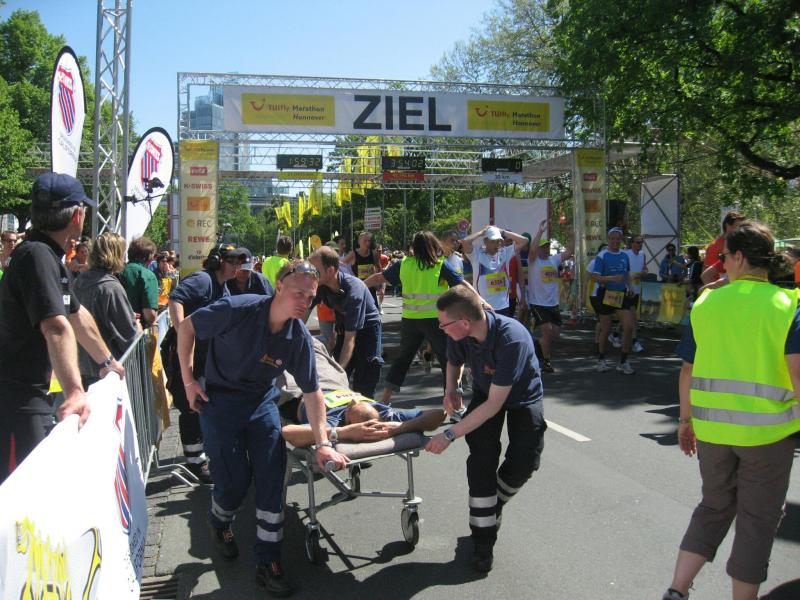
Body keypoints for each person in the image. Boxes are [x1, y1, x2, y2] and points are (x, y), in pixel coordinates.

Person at [177, 260, 348, 597]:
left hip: (260, 404)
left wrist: (323, 443)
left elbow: (313, 393)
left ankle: (268, 563)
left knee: (272, 479)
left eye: (310, 297)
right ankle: (219, 522)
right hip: (219, 403)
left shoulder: (297, 336)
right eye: (298, 293)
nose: (304, 302)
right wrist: (188, 381)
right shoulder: (238, 309)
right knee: (234, 482)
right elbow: (186, 328)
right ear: (279, 287)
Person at [664, 221, 800, 600]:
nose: (720, 264)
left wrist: (685, 421)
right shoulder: (788, 305)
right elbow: (797, 375)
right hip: (768, 436)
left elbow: (688, 370)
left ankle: (676, 590)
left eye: (723, 257)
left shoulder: (706, 303)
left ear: (739, 257)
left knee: (713, 507)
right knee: (757, 521)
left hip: (712, 433)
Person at [0, 172, 124, 484]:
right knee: (23, 490)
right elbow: (56, 325)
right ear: (77, 216)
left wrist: (108, 361)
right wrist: (75, 393)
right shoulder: (37, 256)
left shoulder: (47, 255)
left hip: (28, 395)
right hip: (18, 400)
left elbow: (76, 314)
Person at [425, 285, 546, 573]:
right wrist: (451, 388)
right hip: (485, 391)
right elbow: (454, 361)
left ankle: (494, 504)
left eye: (443, 324)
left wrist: (450, 434)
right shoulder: (461, 334)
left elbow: (494, 405)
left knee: (525, 461)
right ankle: (482, 544)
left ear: (464, 322)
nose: (441, 329)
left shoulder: (511, 339)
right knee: (481, 460)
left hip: (521, 398)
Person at [363, 231, 478, 409]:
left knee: (403, 359)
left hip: (410, 320)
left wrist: (358, 286)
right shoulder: (439, 265)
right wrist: (479, 300)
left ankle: (385, 400)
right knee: (448, 361)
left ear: (414, 247)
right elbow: (461, 284)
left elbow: (379, 278)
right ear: (433, 246)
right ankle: (454, 405)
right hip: (436, 321)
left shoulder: (404, 264)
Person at [165, 243, 247, 484]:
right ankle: (195, 461)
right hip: (184, 354)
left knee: (203, 402)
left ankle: (205, 453)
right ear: (218, 261)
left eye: (239, 262)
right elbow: (175, 299)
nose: (237, 266)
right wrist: (182, 332)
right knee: (190, 406)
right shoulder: (203, 280)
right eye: (232, 261)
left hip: (204, 356)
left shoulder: (224, 287)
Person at [279, 338, 445, 446]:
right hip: (333, 382)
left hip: (300, 390)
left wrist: (342, 433)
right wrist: (398, 428)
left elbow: (288, 433)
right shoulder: (384, 415)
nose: (356, 400)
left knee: (283, 350)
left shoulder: (333, 421)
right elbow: (440, 414)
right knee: (312, 346)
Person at [308, 246, 383, 399]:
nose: (311, 275)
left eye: (315, 270)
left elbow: (350, 339)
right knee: (335, 379)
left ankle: (367, 409)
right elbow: (301, 317)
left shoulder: (354, 290)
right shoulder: (320, 286)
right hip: (345, 326)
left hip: (368, 330)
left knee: (363, 381)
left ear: (330, 270)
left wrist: (338, 374)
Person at [72, 232, 140, 388]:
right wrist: (137, 326)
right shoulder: (111, 287)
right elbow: (128, 337)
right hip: (108, 370)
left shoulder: (79, 281)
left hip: (83, 367)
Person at [524, 220, 574, 373]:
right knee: (547, 330)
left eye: (547, 247)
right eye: (543, 247)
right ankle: (546, 362)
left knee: (555, 334)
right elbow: (532, 250)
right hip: (537, 303)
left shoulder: (554, 259)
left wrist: (572, 236)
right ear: (538, 249)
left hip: (553, 303)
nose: (546, 249)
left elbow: (569, 252)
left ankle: (538, 345)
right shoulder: (533, 261)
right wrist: (540, 232)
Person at [590, 227, 635, 374]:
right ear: (608, 239)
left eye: (618, 239)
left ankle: (623, 361)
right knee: (606, 328)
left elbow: (626, 274)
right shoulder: (602, 256)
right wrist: (611, 278)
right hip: (606, 294)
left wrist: (630, 287)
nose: (615, 241)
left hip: (621, 294)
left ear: (621, 240)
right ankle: (601, 359)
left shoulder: (625, 255)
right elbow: (595, 277)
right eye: (613, 239)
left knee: (628, 327)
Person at [461, 225, 529, 316]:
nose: (496, 244)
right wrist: (481, 232)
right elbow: (465, 241)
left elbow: (524, 240)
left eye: (498, 241)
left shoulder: (505, 252)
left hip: (503, 306)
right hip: (483, 306)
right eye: (493, 241)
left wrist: (502, 232)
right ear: (485, 241)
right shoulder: (476, 253)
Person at [617, 234, 648, 353]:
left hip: (637, 288)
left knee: (627, 316)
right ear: (632, 243)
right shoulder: (626, 254)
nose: (640, 244)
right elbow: (623, 271)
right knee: (633, 316)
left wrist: (644, 272)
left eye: (641, 242)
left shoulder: (643, 254)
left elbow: (645, 268)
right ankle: (635, 341)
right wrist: (628, 283)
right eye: (638, 242)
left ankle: (615, 335)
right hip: (627, 289)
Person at [120, 236, 159, 328]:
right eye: (153, 255)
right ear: (148, 256)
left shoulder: (117, 271)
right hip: (137, 328)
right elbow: (149, 316)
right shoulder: (148, 275)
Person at [700, 211, 746, 286]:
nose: (741, 229)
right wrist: (718, 290)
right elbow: (706, 275)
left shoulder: (740, 243)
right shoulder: (715, 246)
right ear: (727, 226)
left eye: (743, 226)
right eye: (738, 226)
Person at [342, 230, 382, 307]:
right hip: (358, 288)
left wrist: (378, 283)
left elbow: (379, 268)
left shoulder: (373, 253)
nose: (367, 243)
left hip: (370, 288)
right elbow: (342, 264)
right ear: (359, 242)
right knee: (360, 311)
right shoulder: (353, 254)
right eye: (365, 241)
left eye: (369, 241)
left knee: (373, 310)